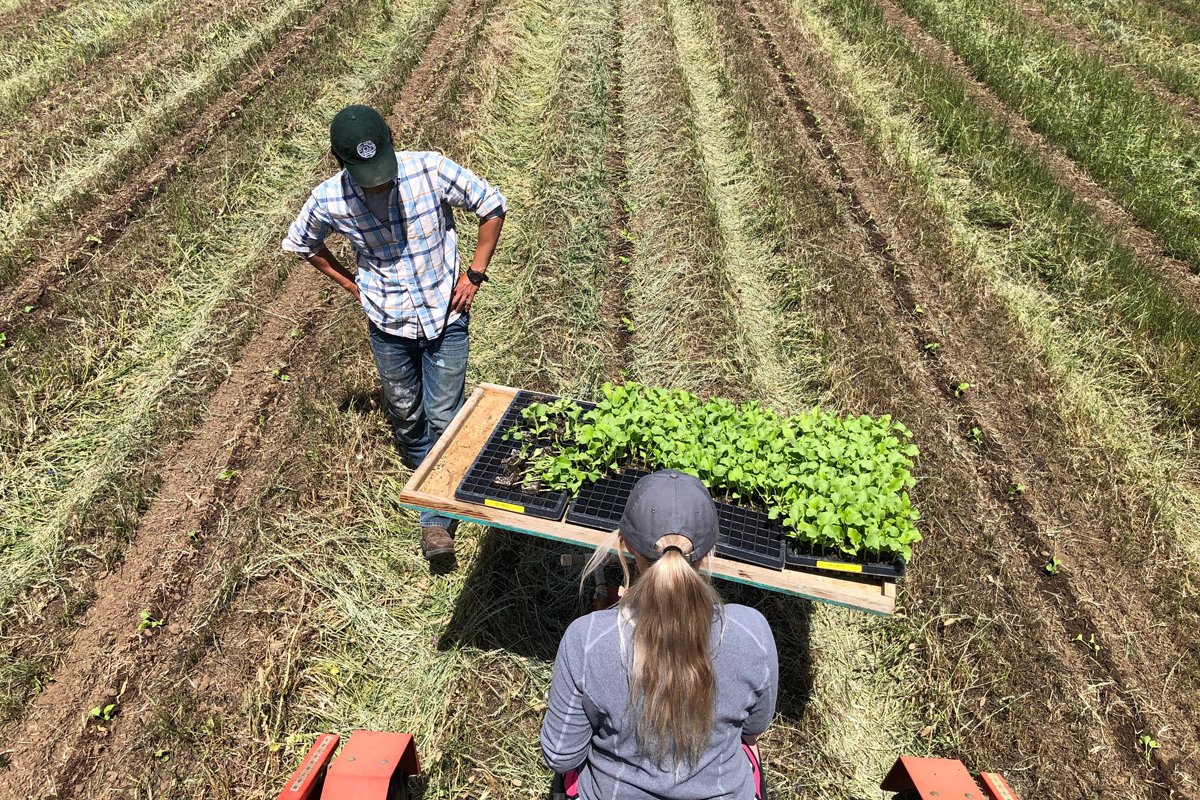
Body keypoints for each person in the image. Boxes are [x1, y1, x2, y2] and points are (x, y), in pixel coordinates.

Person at [282, 104, 506, 563]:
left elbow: (491, 205)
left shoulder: (429, 169)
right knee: (406, 413)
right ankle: (429, 475)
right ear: (339, 161)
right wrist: (354, 285)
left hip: (445, 318)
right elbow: (303, 243)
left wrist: (475, 275)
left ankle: (435, 517)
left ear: (391, 139)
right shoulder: (328, 198)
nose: (378, 180)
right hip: (389, 322)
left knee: (445, 415)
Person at [541, 470, 778, 799]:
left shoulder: (587, 639)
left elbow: (561, 755)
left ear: (625, 545)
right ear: (710, 551)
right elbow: (753, 729)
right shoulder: (751, 630)